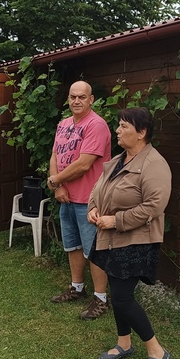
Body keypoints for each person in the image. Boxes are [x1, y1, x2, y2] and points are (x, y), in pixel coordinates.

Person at [87, 107, 172, 359]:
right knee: (117, 291)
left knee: (123, 297)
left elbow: (154, 206)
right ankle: (124, 342)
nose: (118, 130)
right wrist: (92, 208)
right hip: (110, 238)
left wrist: (116, 220)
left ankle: (157, 351)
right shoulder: (117, 161)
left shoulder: (154, 164)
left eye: (124, 126)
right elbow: (97, 189)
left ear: (142, 132)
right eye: (119, 125)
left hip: (137, 240)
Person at [47, 80, 111, 320]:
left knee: (94, 249)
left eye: (82, 97)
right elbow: (55, 155)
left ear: (91, 99)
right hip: (67, 197)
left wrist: (54, 181)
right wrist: (58, 185)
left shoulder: (96, 125)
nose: (76, 101)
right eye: (72, 97)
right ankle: (77, 287)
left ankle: (101, 298)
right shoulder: (63, 124)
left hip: (89, 199)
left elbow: (84, 164)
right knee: (72, 245)